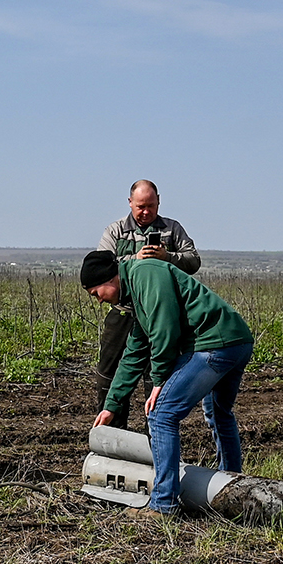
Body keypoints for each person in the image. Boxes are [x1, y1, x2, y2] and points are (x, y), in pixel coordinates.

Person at [81, 249, 254, 516]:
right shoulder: (136, 292)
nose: (99, 301)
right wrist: (112, 405)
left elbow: (165, 328)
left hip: (213, 345)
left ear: (109, 279)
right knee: (220, 413)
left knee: (161, 414)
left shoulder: (145, 273)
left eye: (96, 293)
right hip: (235, 341)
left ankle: (163, 504)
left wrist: (160, 378)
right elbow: (136, 349)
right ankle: (233, 486)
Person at [92, 181, 199, 427]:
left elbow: (194, 261)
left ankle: (157, 437)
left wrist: (168, 257)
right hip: (123, 314)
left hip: (160, 315)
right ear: (130, 203)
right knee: (109, 375)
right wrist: (135, 259)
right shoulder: (115, 230)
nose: (146, 212)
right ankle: (112, 435)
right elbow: (102, 266)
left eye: (151, 206)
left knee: (157, 377)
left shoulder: (172, 229)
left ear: (159, 201)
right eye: (140, 206)